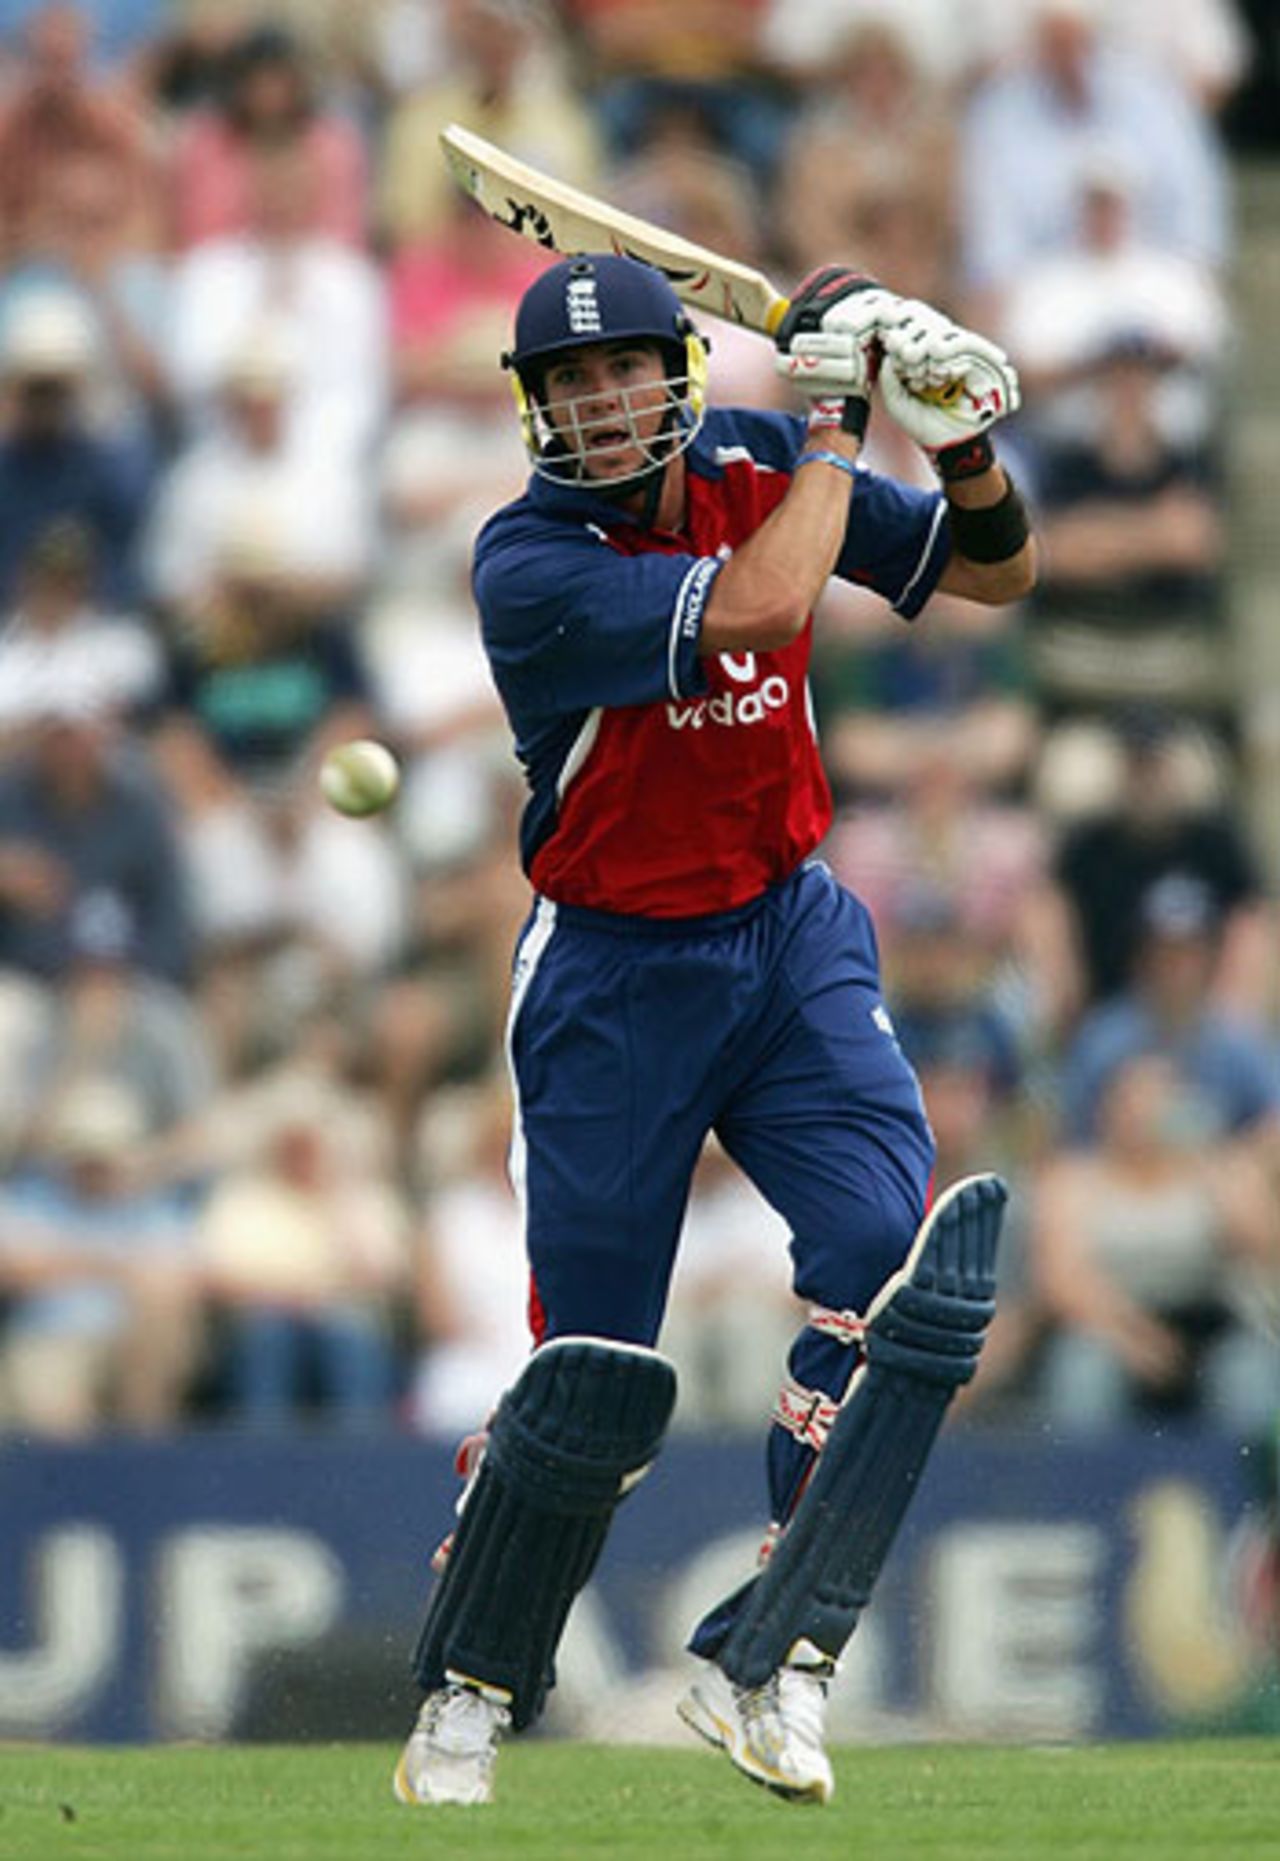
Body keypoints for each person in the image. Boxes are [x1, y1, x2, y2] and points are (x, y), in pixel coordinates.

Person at [393, 253, 1033, 1809]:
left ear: (678, 374)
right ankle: (473, 1684)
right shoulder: (528, 560)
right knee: (595, 1376)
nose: (602, 404)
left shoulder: (755, 461)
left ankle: (778, 1656)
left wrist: (956, 434)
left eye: (625, 370)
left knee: (886, 1257)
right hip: (614, 976)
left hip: (787, 930)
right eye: (569, 384)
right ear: (536, 410)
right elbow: (759, 604)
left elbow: (995, 573)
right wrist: (840, 419)